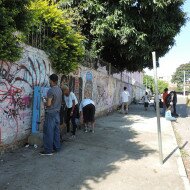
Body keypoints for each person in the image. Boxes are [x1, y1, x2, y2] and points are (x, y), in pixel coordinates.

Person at [40, 74, 62, 156]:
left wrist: (44, 101)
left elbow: (49, 104)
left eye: (49, 80)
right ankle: (57, 147)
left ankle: (48, 151)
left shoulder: (51, 90)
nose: (49, 82)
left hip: (50, 113)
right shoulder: (59, 90)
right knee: (56, 131)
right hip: (57, 113)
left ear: (52, 81)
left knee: (48, 132)